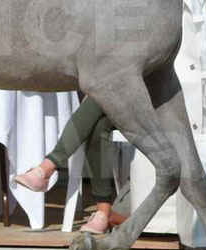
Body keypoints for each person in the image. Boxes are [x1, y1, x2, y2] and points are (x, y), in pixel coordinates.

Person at [14, 96, 128, 234]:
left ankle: (46, 168)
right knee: (98, 122)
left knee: (99, 97)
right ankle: (104, 212)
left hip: (145, 103)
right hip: (115, 99)